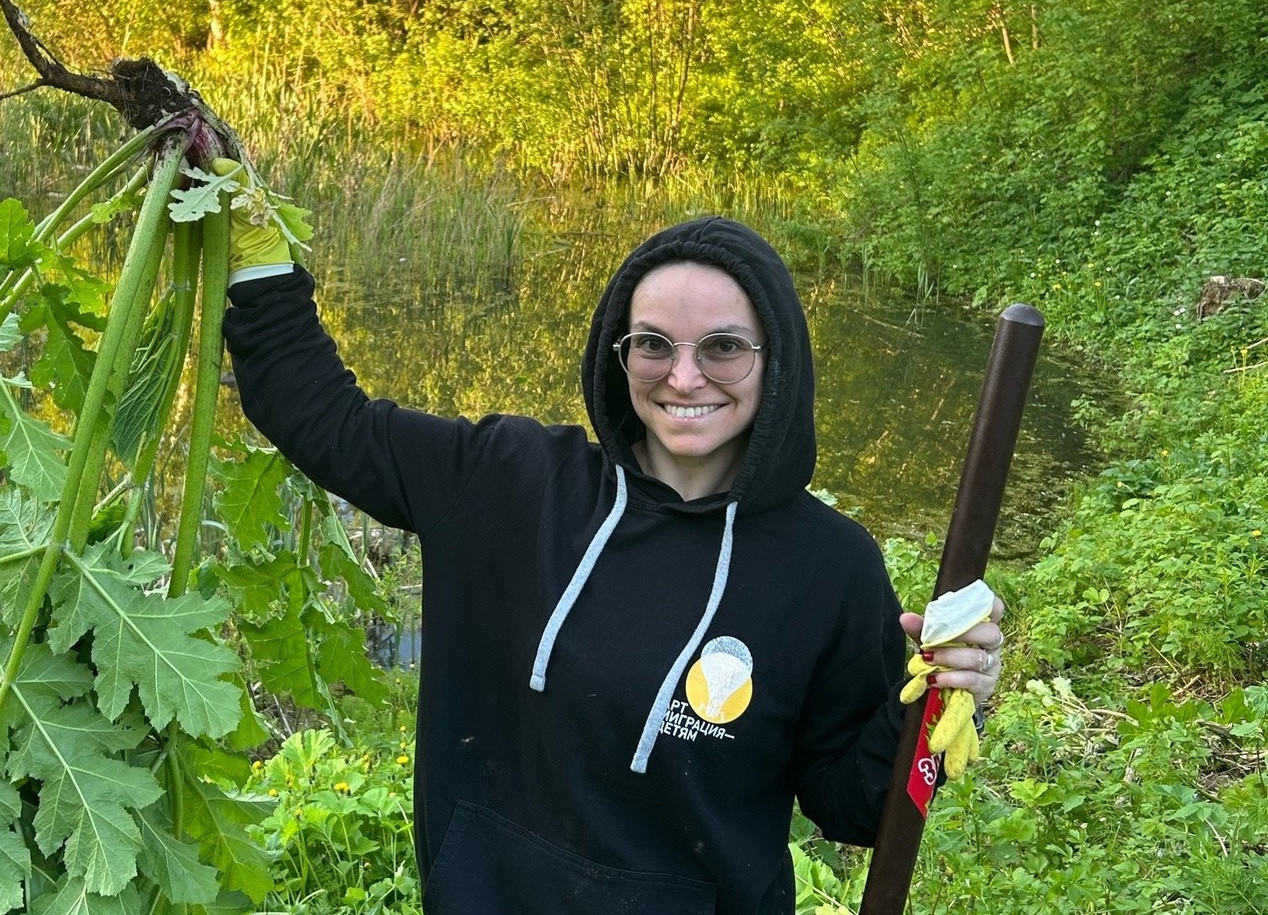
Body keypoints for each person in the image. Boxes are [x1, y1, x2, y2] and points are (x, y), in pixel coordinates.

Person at [219, 202, 1005, 913]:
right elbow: (318, 412)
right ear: (616, 351)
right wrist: (254, 237)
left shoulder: (829, 568)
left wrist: (938, 703)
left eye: (724, 347)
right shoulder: (505, 482)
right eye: (654, 345)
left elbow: (858, 803)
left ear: (777, 358)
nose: (684, 375)